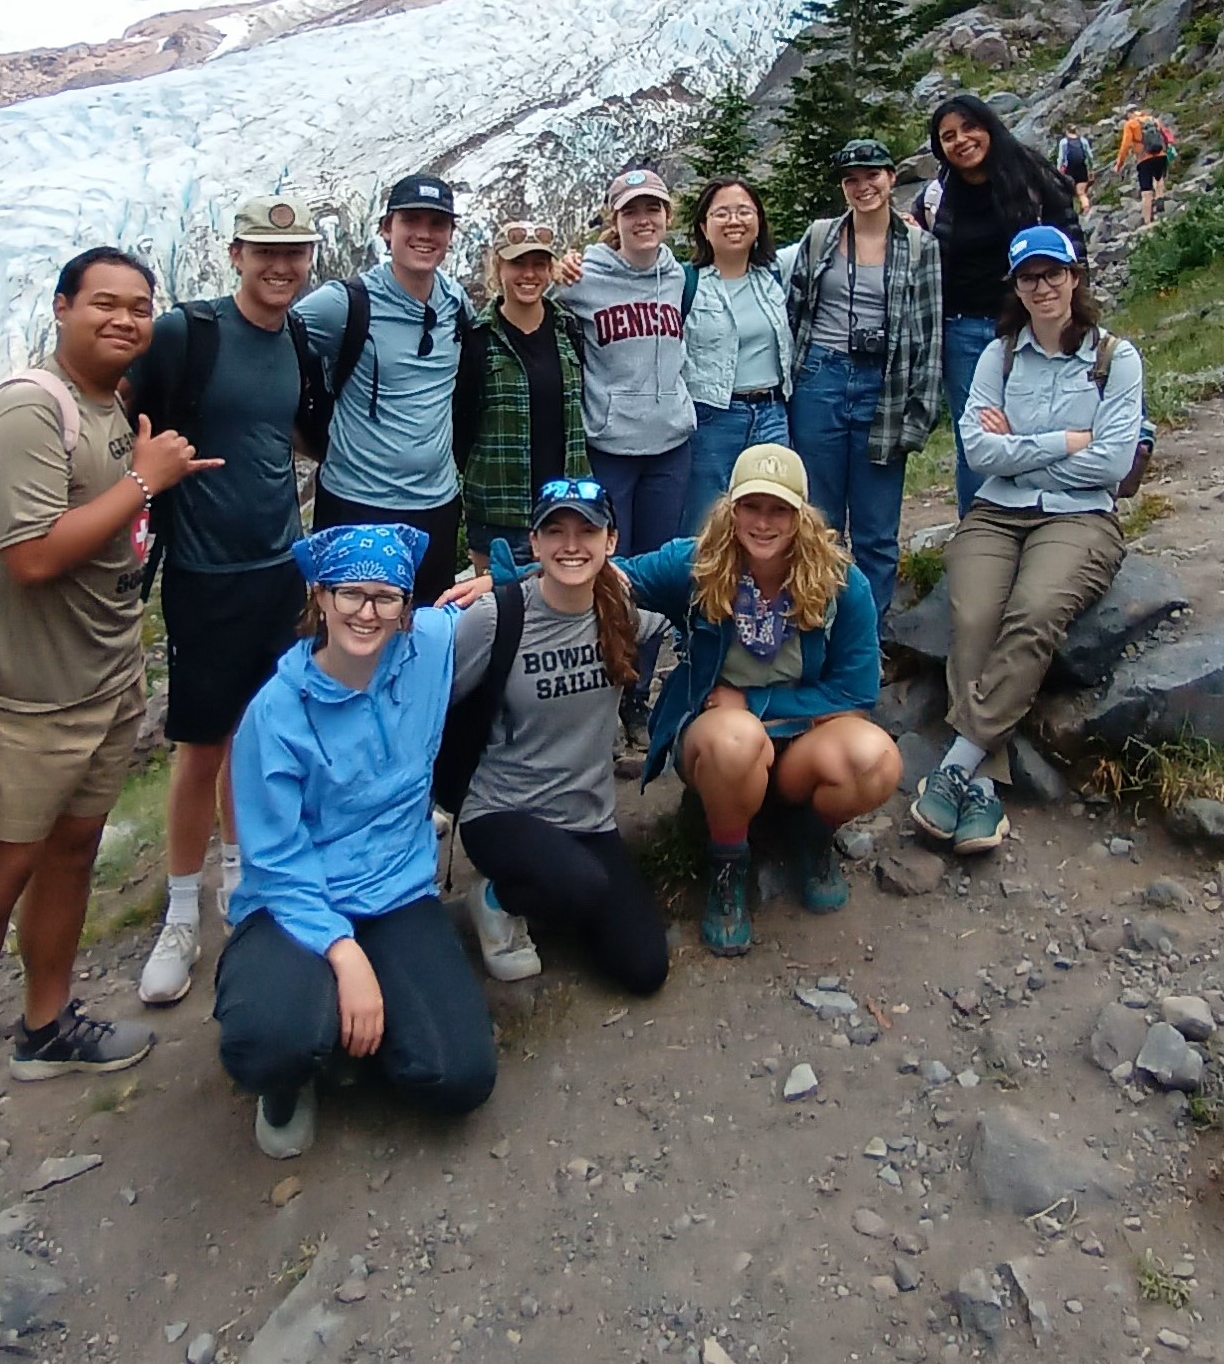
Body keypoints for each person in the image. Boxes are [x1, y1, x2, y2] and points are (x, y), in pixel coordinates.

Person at [0, 248, 221, 1180]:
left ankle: (46, 1023)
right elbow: (31, 556)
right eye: (105, 306)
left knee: (74, 854)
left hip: (104, 684)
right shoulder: (26, 410)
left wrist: (142, 476)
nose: (125, 321)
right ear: (62, 308)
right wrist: (147, 481)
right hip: (26, 701)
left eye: (139, 308)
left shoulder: (113, 406)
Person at [215, 524, 498, 1159]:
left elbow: (516, 601)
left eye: (386, 597)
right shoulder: (275, 713)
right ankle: (289, 1071)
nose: (367, 612)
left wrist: (494, 581)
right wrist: (343, 953)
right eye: (350, 594)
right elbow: (276, 860)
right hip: (292, 902)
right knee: (269, 1039)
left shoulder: (426, 648)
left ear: (406, 608)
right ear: (319, 596)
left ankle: (348, 1043)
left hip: (397, 892)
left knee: (462, 1076)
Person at [126, 191, 321, 1009]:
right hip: (204, 572)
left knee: (260, 731)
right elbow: (122, 415)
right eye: (264, 251)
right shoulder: (188, 333)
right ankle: (179, 911)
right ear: (235, 254)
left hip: (277, 564)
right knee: (201, 743)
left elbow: (296, 435)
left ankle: (242, 880)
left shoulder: (298, 339)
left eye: (294, 253)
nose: (280, 266)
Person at [910, 226, 1143, 858]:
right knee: (974, 614)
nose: (1043, 287)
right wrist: (1066, 441)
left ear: (1075, 277)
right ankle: (985, 787)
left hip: (1080, 519)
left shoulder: (1115, 358)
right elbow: (979, 453)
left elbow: (1113, 464)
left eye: (1053, 273)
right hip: (996, 511)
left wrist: (1020, 451)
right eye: (1029, 277)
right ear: (1015, 286)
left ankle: (958, 764)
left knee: (1035, 612)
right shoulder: (999, 356)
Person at [617, 444, 901, 961]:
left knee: (877, 757)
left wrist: (754, 700)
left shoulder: (842, 584)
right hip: (717, 742)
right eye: (751, 507)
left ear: (802, 516)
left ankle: (809, 837)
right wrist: (508, 585)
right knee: (736, 736)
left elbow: (857, 694)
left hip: (798, 746)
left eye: (779, 510)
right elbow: (613, 576)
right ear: (732, 509)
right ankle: (729, 865)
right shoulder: (697, 562)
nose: (763, 523)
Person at [449, 475, 671, 995]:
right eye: (555, 531)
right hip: (504, 811)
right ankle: (496, 901)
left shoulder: (627, 610)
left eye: (586, 531)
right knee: (582, 886)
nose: (571, 545)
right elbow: (431, 703)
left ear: (610, 542)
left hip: (588, 819)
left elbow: (697, 587)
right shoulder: (497, 616)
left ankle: (557, 895)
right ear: (535, 542)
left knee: (644, 968)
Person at [293, 172, 479, 604]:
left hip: (436, 505)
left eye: (437, 223)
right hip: (356, 503)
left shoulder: (454, 304)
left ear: (451, 233)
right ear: (385, 228)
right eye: (411, 220)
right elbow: (271, 350)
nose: (425, 234)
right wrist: (300, 437)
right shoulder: (344, 303)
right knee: (349, 628)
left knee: (423, 623)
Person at [785, 137, 943, 618]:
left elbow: (930, 334)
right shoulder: (819, 237)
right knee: (820, 521)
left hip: (884, 387)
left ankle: (866, 640)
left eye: (871, 176)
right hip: (820, 379)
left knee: (876, 528)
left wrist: (920, 415)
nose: (862, 187)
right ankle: (819, 626)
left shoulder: (920, 246)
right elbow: (792, 311)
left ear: (891, 177)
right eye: (851, 180)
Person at [911, 96, 1080, 519]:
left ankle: (1046, 517)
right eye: (948, 136)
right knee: (978, 437)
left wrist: (1072, 306)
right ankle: (982, 527)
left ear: (989, 126)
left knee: (1038, 422)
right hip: (963, 329)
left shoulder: (1030, 175)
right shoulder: (937, 195)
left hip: (1031, 322)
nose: (961, 141)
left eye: (969, 128)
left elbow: (1070, 241)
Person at [553, 166, 696, 555]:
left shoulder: (678, 277)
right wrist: (556, 270)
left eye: (653, 208)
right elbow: (536, 305)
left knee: (659, 558)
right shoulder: (583, 277)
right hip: (611, 447)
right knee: (611, 559)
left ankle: (655, 621)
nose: (643, 220)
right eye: (631, 211)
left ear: (668, 216)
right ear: (615, 221)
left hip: (671, 446)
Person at [460, 219, 591, 576]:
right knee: (498, 616)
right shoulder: (476, 338)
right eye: (518, 263)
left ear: (551, 269)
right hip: (498, 512)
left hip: (565, 506)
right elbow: (460, 424)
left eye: (539, 264)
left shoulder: (569, 329)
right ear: (498, 267)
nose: (529, 274)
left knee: (559, 619)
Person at [680, 176, 794, 529]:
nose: (734, 221)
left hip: (773, 413)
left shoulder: (776, 274)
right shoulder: (684, 281)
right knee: (705, 524)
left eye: (744, 211)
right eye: (722, 213)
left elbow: (835, 240)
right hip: (712, 417)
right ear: (703, 225)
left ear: (758, 221)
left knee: (770, 520)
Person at [1114, 107, 1175, 227]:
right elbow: (1166, 135)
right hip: (1161, 155)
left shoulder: (1131, 124)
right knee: (1159, 180)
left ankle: (1148, 222)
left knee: (1146, 192)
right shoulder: (1153, 120)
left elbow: (1125, 145)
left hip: (1144, 159)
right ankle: (1161, 208)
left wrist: (1119, 164)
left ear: (1130, 114)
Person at [1054, 125, 1095, 220]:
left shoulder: (1064, 142)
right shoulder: (1083, 140)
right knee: (1081, 192)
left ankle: (1072, 213)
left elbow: (1061, 158)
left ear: (1067, 132)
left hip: (1069, 170)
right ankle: (1086, 207)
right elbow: (1090, 156)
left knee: (1069, 193)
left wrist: (1058, 170)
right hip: (1082, 168)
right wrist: (1091, 169)